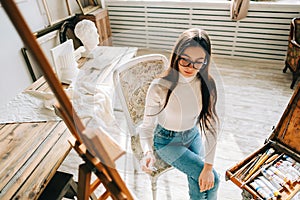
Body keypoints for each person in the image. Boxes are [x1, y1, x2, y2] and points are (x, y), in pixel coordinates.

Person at [138, 28, 220, 199]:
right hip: (167, 141)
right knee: (213, 180)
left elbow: (211, 127)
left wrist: (208, 166)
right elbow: (146, 128)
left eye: (199, 62)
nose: (191, 67)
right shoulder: (159, 86)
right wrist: (147, 152)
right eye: (185, 60)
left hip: (192, 134)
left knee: (204, 178)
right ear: (176, 56)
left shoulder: (207, 85)